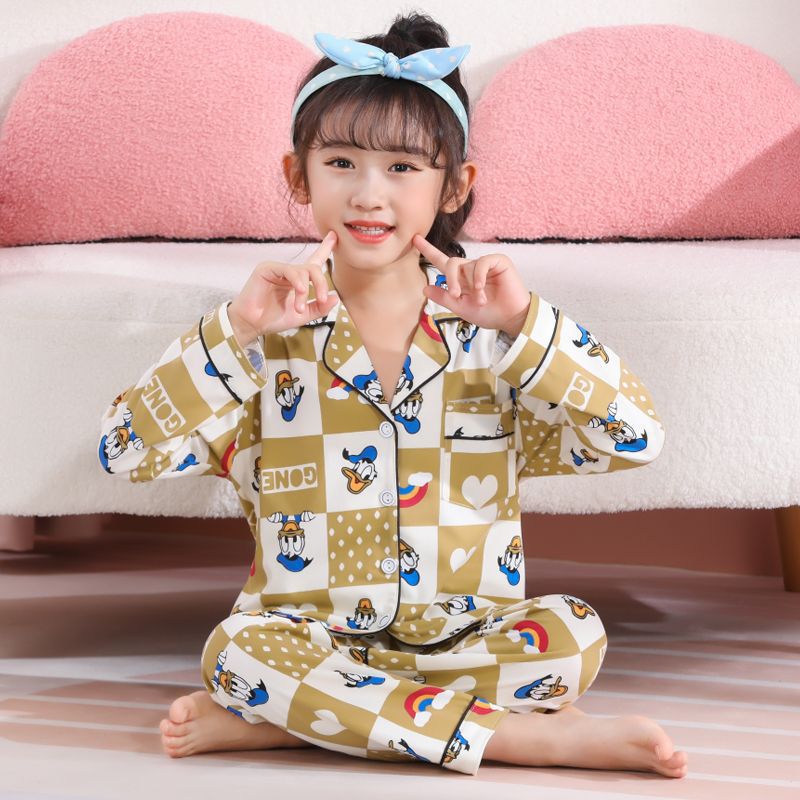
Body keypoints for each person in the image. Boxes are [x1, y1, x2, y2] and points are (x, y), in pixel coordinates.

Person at [98, 11, 686, 779]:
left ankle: (296, 722)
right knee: (237, 651)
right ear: (298, 176)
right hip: (305, 639)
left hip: (467, 641)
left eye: (403, 167)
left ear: (455, 186)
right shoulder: (263, 340)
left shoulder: (495, 344)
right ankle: (522, 738)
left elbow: (635, 437)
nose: (368, 194)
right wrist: (235, 329)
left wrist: (526, 324)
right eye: (341, 161)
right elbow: (125, 453)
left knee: (573, 633)